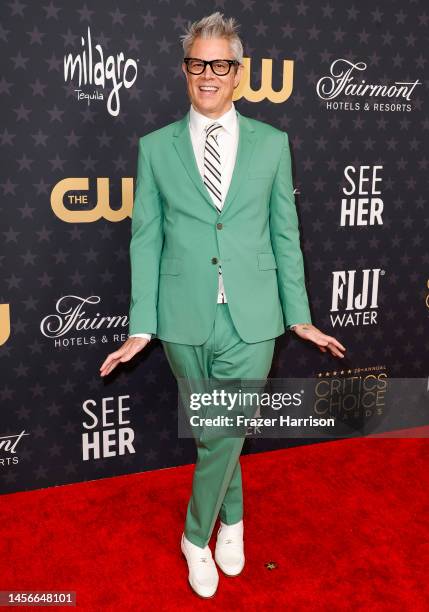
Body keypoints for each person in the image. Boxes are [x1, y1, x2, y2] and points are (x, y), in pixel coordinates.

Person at [100, 11, 346, 599]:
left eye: (220, 65)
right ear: (186, 71)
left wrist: (299, 314)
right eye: (197, 64)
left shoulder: (273, 143)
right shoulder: (155, 148)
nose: (207, 75)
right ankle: (232, 521)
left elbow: (285, 233)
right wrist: (142, 324)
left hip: (255, 316)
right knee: (219, 430)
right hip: (183, 317)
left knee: (223, 425)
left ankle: (194, 535)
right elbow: (146, 237)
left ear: (237, 72)